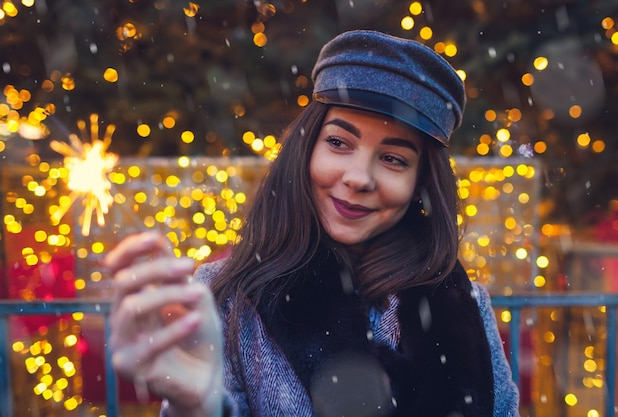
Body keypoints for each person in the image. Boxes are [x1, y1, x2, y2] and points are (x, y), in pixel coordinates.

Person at [105, 30, 520, 417]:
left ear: (420, 185)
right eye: (339, 142)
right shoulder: (225, 299)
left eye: (394, 159)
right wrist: (197, 406)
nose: (358, 177)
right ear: (305, 150)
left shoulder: (464, 304)